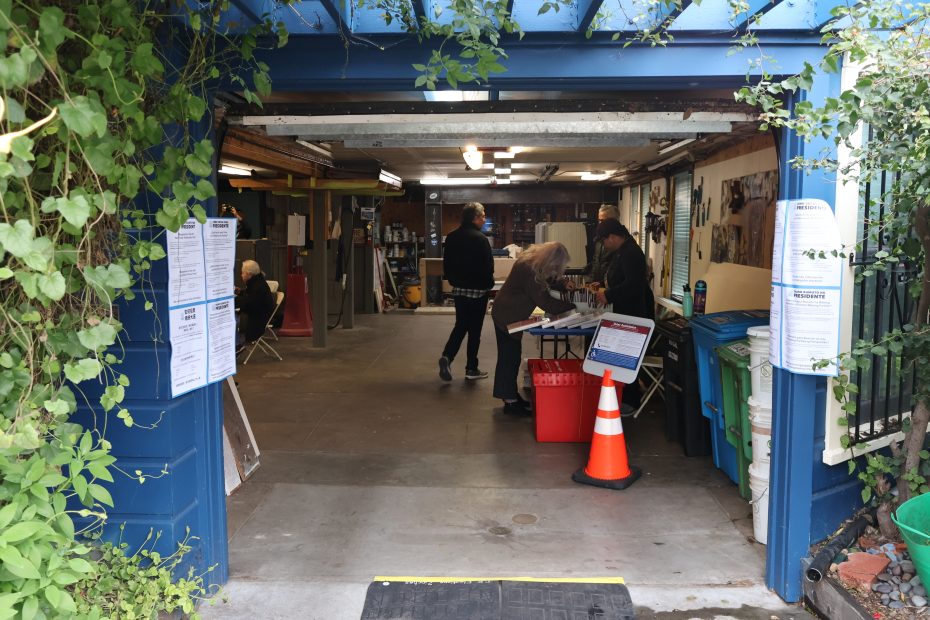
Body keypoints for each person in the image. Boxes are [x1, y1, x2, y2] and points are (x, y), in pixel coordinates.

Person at [491, 242, 576, 414]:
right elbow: (544, 301)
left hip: (507, 311)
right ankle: (510, 401)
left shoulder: (530, 261)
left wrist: (561, 285)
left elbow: (545, 281)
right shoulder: (530, 270)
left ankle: (510, 395)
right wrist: (573, 307)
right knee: (509, 357)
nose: (556, 269)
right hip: (508, 314)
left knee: (511, 355)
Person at [594, 219, 655, 411]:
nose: (604, 246)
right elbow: (620, 279)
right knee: (622, 356)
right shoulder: (623, 251)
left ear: (612, 237)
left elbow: (633, 286)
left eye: (604, 241)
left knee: (627, 357)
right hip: (626, 312)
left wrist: (608, 295)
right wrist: (604, 287)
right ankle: (625, 397)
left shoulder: (631, 253)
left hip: (634, 313)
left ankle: (630, 400)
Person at [438, 202, 495, 381]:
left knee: (461, 325)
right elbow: (488, 267)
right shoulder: (480, 239)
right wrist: (489, 285)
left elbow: (446, 265)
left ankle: (447, 356)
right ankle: (471, 368)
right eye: (483, 216)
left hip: (459, 290)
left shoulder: (452, 237)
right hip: (478, 292)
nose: (484, 219)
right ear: (475, 218)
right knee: (475, 330)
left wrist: (454, 281)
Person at [235, 260, 275, 351]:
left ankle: (237, 346)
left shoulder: (257, 286)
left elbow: (250, 303)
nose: (241, 275)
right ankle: (237, 345)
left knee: (233, 319)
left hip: (257, 321)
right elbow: (251, 298)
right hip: (259, 315)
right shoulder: (257, 282)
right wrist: (241, 292)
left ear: (249, 274)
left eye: (242, 273)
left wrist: (233, 300)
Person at [584, 204, 621, 285]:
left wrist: (602, 284)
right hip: (598, 285)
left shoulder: (620, 242)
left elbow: (618, 272)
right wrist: (590, 279)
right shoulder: (600, 239)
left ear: (614, 221)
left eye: (603, 221)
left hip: (612, 289)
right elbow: (596, 261)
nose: (600, 224)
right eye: (599, 220)